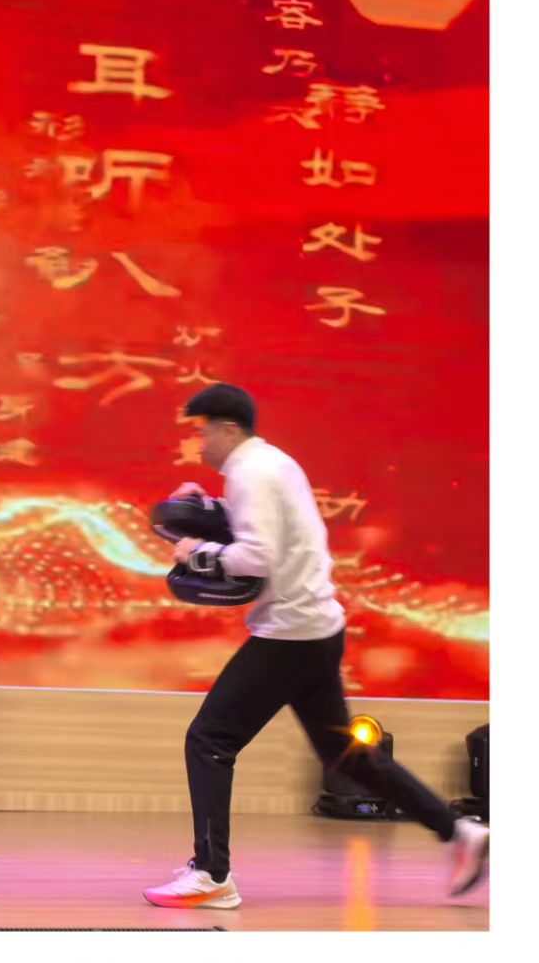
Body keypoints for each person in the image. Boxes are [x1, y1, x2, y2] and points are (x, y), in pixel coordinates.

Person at [143, 383, 490, 909]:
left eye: (203, 431)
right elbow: (268, 528)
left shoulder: (251, 473)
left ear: (228, 429)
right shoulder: (270, 464)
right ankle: (459, 831)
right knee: (344, 756)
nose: (199, 442)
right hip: (317, 630)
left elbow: (258, 557)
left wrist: (195, 552)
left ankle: (212, 874)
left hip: (289, 633)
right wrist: (209, 506)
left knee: (209, 740)